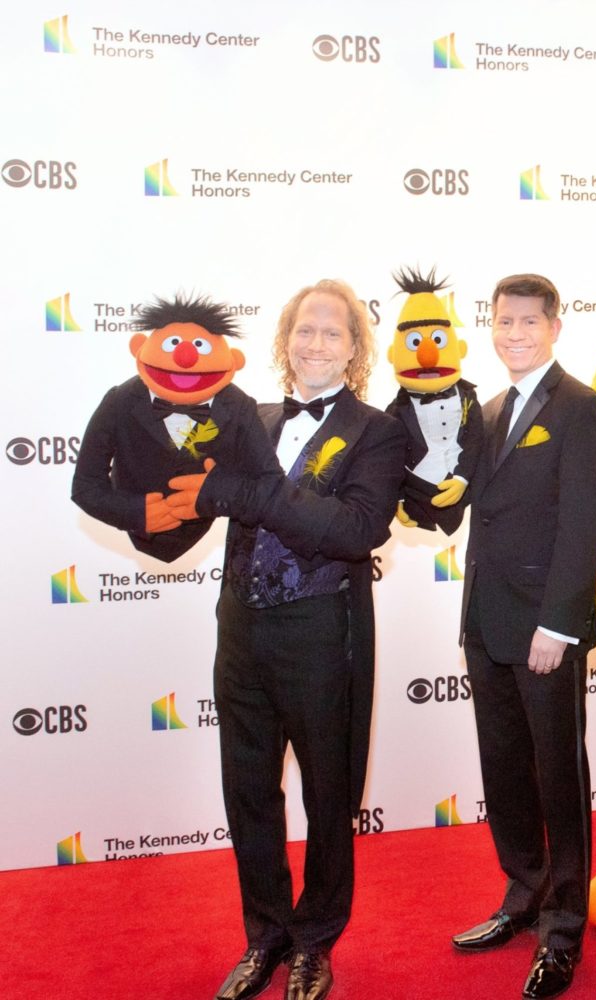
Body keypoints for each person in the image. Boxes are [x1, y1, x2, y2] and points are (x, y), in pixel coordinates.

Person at [169, 279, 405, 1000]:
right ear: (285, 339)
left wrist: (258, 492)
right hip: (240, 630)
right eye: (305, 330)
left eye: (333, 333)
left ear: (355, 350)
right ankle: (265, 934)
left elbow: (356, 529)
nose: (316, 344)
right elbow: (200, 498)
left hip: (321, 633)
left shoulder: (377, 430)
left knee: (330, 796)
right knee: (249, 791)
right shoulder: (253, 418)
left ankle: (315, 942)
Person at [450, 274, 596, 1000]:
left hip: (545, 629)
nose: (513, 333)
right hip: (485, 624)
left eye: (527, 322)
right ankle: (522, 893)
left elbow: (585, 526)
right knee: (504, 767)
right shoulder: (486, 411)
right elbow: (465, 512)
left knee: (557, 773)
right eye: (502, 322)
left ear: (554, 326)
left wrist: (559, 623)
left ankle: (564, 924)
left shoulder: (582, 408)